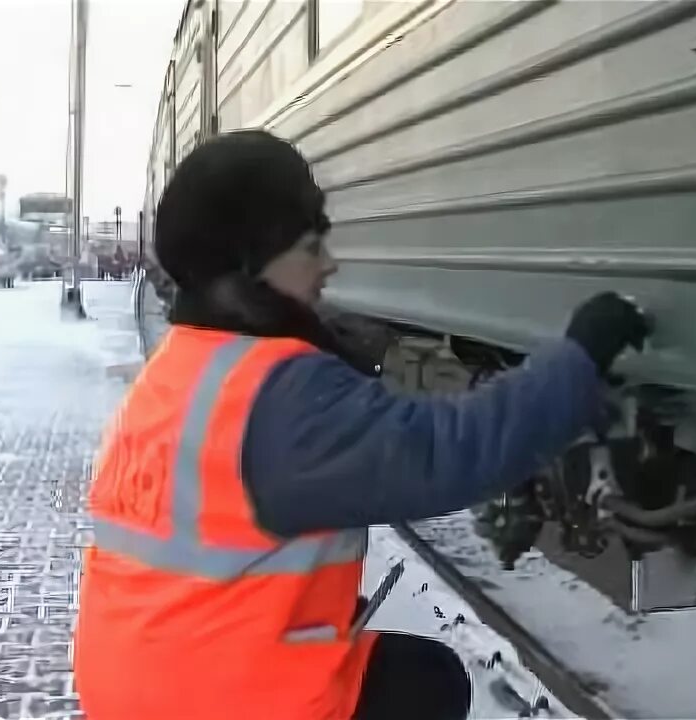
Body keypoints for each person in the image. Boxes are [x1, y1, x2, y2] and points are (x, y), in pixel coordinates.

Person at [73, 130, 649, 720]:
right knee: (429, 684)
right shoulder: (279, 394)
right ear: (252, 267)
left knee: (407, 674)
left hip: (134, 688)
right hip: (219, 702)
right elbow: (449, 452)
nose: (331, 263)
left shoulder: (184, 364)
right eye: (310, 245)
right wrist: (578, 357)